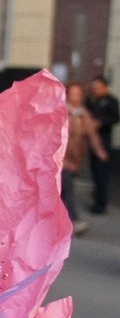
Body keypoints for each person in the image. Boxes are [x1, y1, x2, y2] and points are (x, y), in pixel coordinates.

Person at [61, 81, 107, 235]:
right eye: (73, 93)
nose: (76, 97)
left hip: (75, 159)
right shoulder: (61, 112)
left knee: (61, 192)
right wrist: (65, 161)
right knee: (69, 189)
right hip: (60, 158)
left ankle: (54, 223)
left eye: (79, 94)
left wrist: (99, 150)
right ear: (68, 94)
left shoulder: (83, 113)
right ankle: (74, 220)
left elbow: (92, 135)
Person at [86, 74, 118, 214]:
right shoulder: (91, 101)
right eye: (94, 88)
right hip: (91, 141)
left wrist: (101, 122)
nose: (95, 90)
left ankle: (101, 203)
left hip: (103, 140)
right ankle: (96, 198)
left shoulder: (111, 101)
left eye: (98, 88)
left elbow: (115, 117)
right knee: (94, 171)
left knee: (102, 173)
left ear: (105, 87)